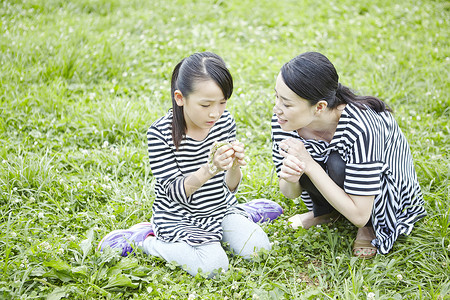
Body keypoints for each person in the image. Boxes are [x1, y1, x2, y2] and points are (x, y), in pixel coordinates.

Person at [98, 52, 283, 277]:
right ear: (180, 98)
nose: (215, 113)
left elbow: (230, 187)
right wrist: (209, 169)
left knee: (259, 250)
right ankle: (144, 240)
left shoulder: (224, 122)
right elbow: (174, 193)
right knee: (213, 267)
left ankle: (242, 214)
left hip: (219, 207)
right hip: (179, 215)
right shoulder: (160, 134)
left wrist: (234, 167)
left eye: (222, 103)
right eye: (205, 105)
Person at [271, 51, 426, 258]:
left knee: (335, 162)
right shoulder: (285, 121)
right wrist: (291, 178)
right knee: (311, 157)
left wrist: (309, 164)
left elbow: (360, 215)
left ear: (319, 107)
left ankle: (371, 227)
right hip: (338, 180)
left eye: (287, 104)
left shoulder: (361, 127)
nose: (277, 108)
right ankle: (328, 213)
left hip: (382, 193)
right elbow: (290, 192)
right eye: (277, 97)